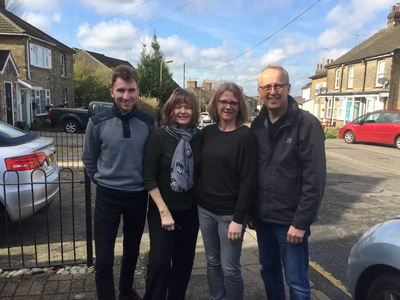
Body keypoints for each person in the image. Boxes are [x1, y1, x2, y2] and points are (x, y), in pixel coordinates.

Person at [249, 65, 326, 300]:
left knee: (297, 281)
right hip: (263, 220)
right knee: (269, 272)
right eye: (267, 87)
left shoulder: (307, 124)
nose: (273, 91)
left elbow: (315, 179)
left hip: (290, 222)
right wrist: (252, 211)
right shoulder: (257, 125)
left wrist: (301, 223)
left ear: (288, 88)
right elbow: (253, 172)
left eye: (278, 85)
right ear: (260, 91)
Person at [82, 65, 156, 300]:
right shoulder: (97, 122)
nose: (126, 96)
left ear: (138, 91)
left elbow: (152, 160)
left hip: (137, 197)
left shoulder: (149, 122)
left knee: (131, 253)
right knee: (103, 258)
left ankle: (126, 293)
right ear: (112, 92)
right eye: (121, 90)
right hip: (107, 197)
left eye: (131, 90)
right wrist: (102, 180)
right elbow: (89, 158)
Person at [197, 82, 258, 300]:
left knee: (230, 268)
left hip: (230, 215)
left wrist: (238, 219)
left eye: (233, 102)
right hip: (204, 210)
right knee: (212, 262)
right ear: (216, 104)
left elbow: (248, 181)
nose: (228, 106)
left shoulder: (245, 136)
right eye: (223, 101)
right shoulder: (207, 132)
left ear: (240, 106)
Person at [143, 88, 201, 300]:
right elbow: (149, 177)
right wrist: (164, 211)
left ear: (194, 111)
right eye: (178, 106)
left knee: (183, 265)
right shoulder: (159, 136)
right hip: (162, 211)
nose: (183, 111)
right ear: (170, 109)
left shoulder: (199, 137)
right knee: (159, 263)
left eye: (188, 106)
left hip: (190, 212)